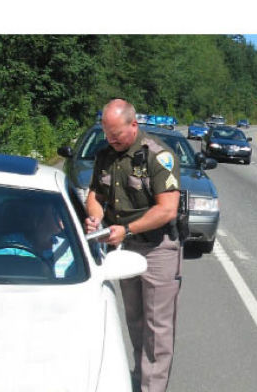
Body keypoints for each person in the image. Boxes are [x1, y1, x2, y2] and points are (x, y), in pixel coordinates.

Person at [85, 99, 182, 392]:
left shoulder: (158, 155)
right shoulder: (105, 156)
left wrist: (126, 229)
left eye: (117, 135)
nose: (111, 140)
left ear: (133, 124)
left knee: (157, 329)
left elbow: (167, 209)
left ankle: (152, 388)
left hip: (157, 249)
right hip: (124, 249)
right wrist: (95, 217)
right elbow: (95, 194)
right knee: (135, 321)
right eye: (107, 134)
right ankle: (140, 379)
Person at [0, 202, 75, 279]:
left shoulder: (67, 246)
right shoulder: (11, 242)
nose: (60, 217)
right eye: (55, 213)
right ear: (37, 218)